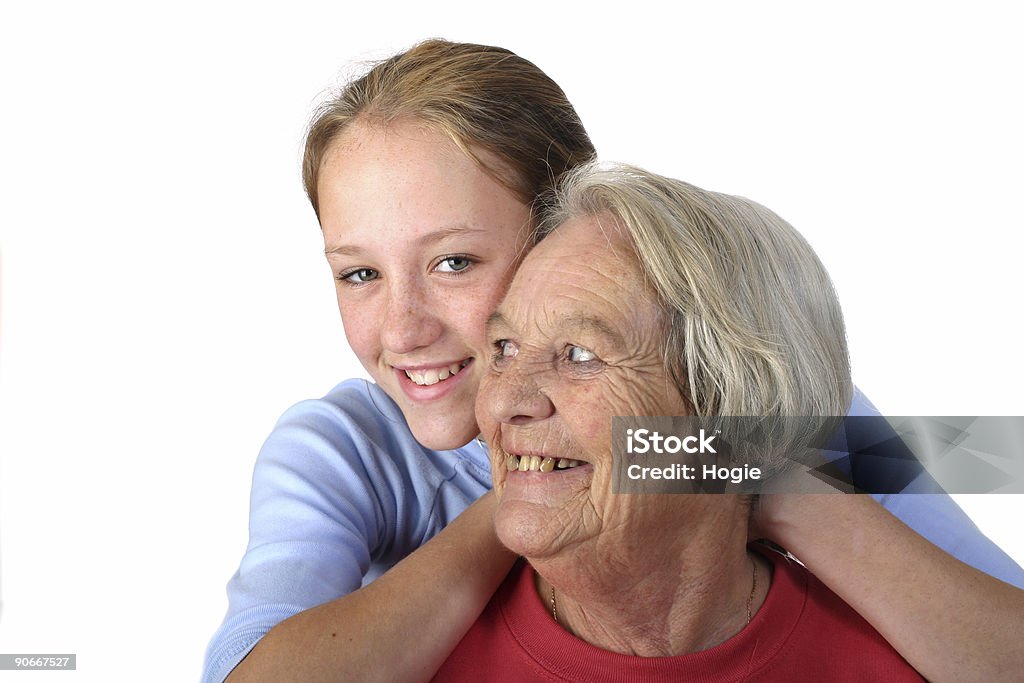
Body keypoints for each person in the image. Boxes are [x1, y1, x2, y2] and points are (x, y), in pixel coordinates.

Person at [204, 40, 1024, 683]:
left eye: (455, 262)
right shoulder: (337, 445)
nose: (405, 326)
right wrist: (548, 488)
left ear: (564, 233)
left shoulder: (767, 391)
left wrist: (770, 473)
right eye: (359, 273)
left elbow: (994, 455)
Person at [437, 163, 997, 680]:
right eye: (504, 347)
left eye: (581, 354)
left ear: (730, 405)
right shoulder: (422, 656)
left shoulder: (901, 654)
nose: (504, 401)